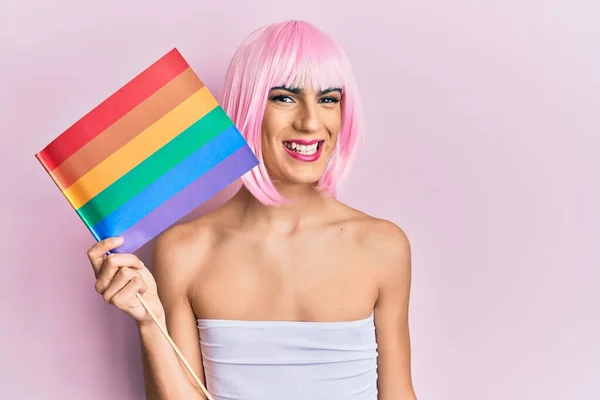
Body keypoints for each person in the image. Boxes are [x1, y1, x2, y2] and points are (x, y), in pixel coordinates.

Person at [87, 20, 417, 400]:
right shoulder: (184, 250)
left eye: (328, 99)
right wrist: (150, 323)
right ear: (247, 107)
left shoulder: (383, 246)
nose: (311, 121)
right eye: (283, 97)